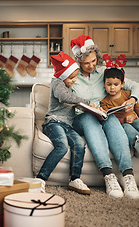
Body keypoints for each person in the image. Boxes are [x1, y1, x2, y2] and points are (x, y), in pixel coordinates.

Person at [70, 34, 139, 199]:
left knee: (113, 121)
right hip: (83, 117)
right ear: (78, 62)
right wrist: (84, 105)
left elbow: (135, 86)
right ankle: (108, 175)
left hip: (104, 113)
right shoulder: (72, 77)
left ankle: (128, 175)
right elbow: (64, 99)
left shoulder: (104, 72)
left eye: (94, 61)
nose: (91, 65)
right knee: (90, 120)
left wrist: (132, 99)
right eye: (86, 63)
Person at [36, 52, 93, 195]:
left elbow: (72, 101)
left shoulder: (68, 85)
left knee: (80, 143)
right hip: (54, 122)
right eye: (71, 77)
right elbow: (64, 97)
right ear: (62, 75)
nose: (74, 80)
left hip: (67, 125)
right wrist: (85, 102)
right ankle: (40, 179)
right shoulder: (57, 82)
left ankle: (74, 179)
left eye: (75, 77)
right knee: (61, 147)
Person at [100, 54, 139, 156]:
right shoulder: (104, 102)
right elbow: (109, 119)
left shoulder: (128, 95)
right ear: (104, 84)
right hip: (122, 124)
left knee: (138, 124)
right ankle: (137, 142)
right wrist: (124, 120)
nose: (112, 88)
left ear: (122, 84)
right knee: (127, 128)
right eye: (109, 84)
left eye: (116, 84)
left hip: (134, 120)